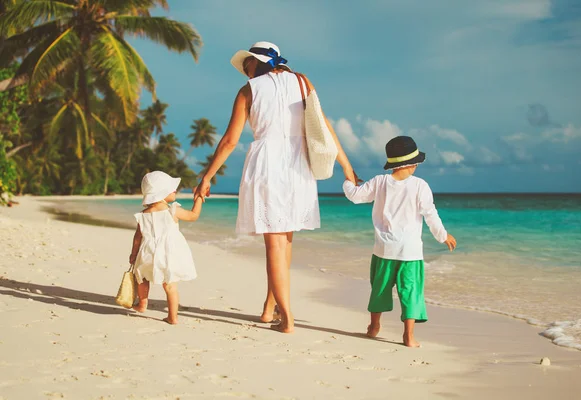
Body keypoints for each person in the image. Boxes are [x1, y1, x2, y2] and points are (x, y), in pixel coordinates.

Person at [194, 41, 359, 333]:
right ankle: (269, 309)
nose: (246, 73)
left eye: (248, 66)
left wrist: (207, 177)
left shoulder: (249, 91)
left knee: (274, 244)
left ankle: (287, 316)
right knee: (284, 241)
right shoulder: (301, 80)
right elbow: (323, 125)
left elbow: (230, 141)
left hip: (267, 165)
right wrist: (346, 166)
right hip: (298, 168)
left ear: (258, 62)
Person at [343, 136, 457, 347]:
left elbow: (355, 196)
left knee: (379, 289)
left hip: (383, 250)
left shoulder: (379, 182)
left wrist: (349, 180)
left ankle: (374, 327)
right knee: (411, 292)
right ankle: (408, 336)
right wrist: (443, 235)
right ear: (412, 164)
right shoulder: (420, 186)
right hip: (410, 253)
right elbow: (430, 214)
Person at [129, 171, 202, 324]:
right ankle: (172, 317)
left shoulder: (143, 214)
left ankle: (142, 304)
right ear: (161, 194)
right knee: (170, 286)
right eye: (171, 189)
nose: (175, 190)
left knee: (141, 277)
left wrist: (133, 254)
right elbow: (193, 216)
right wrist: (199, 199)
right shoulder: (172, 210)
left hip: (147, 252)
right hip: (169, 254)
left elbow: (138, 237)